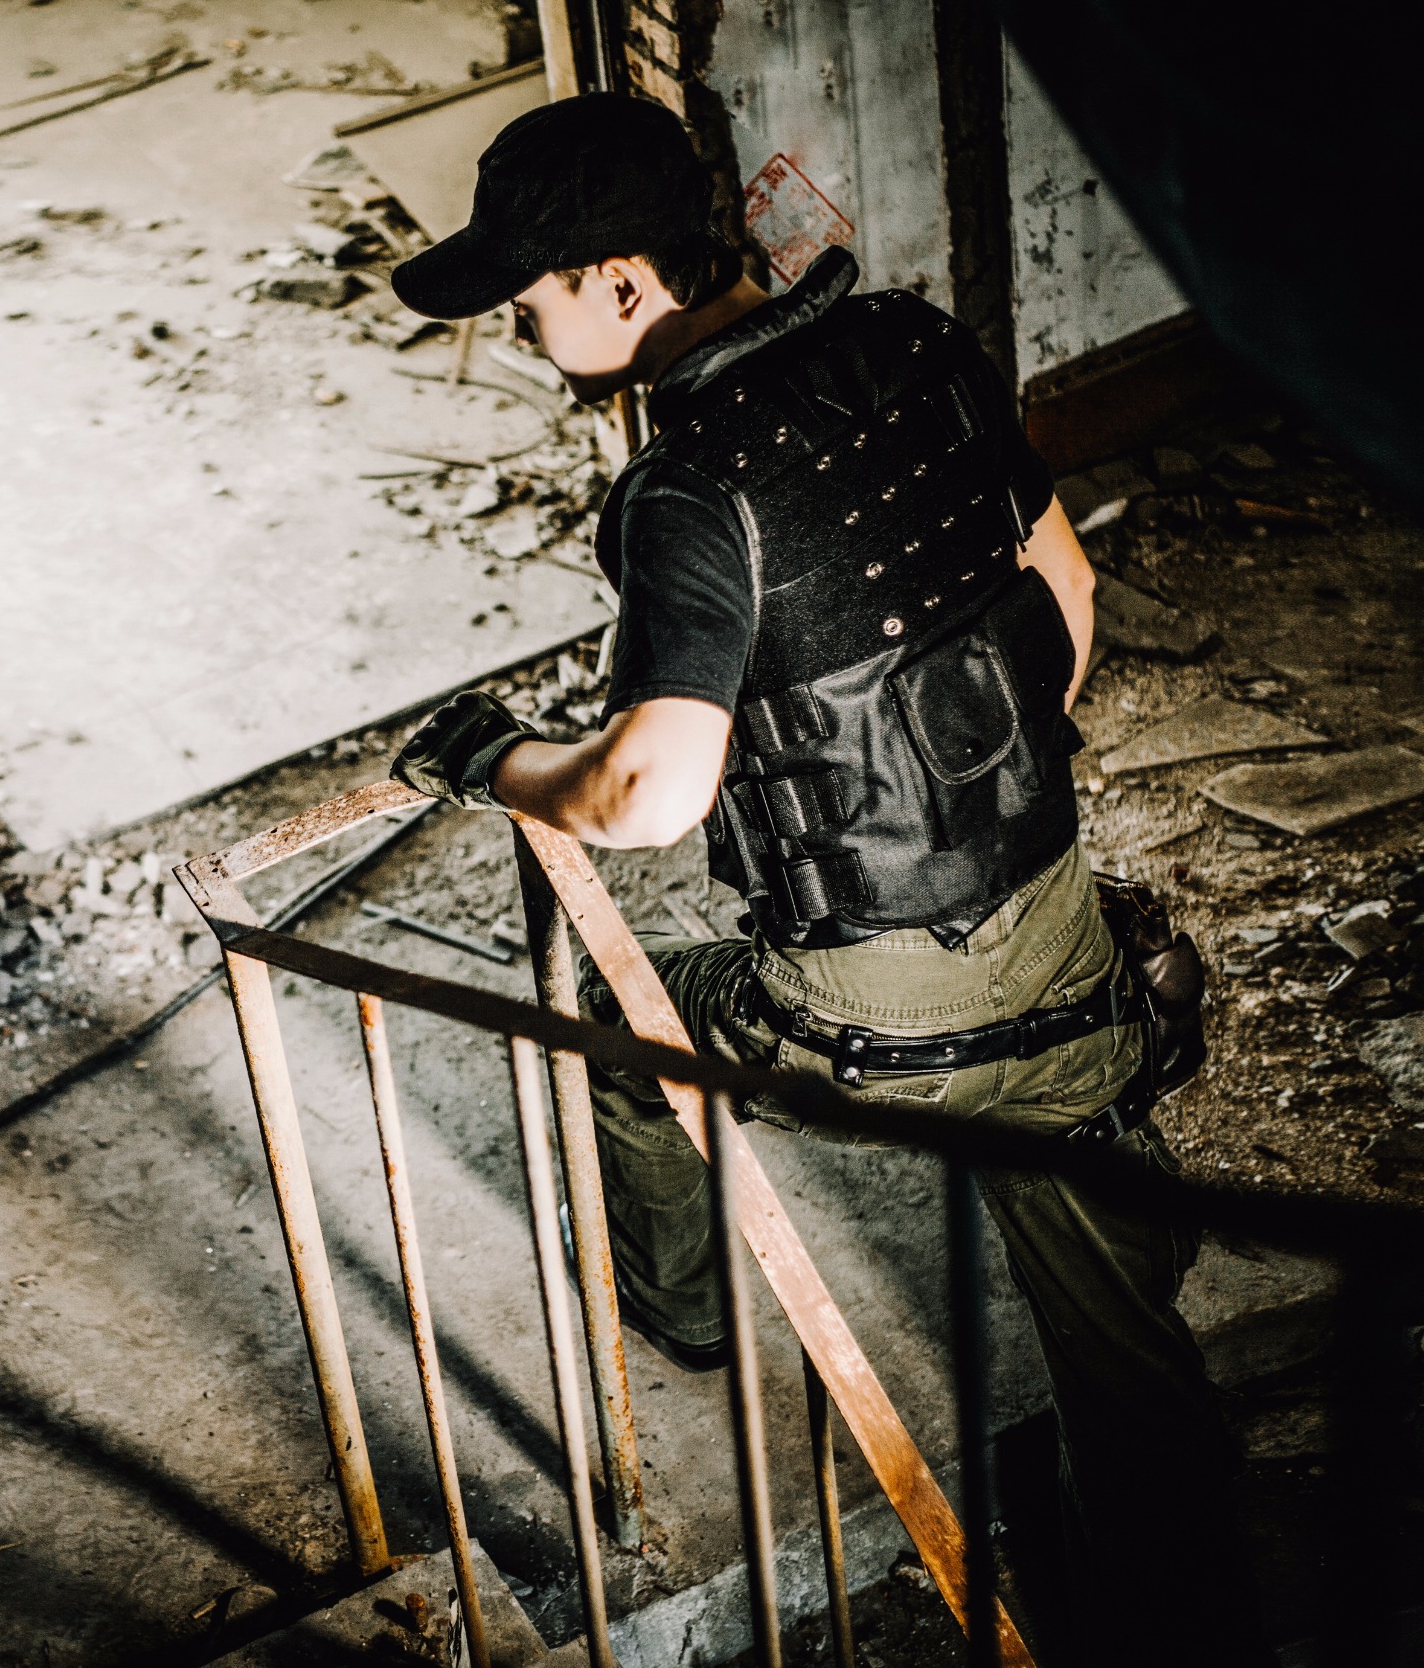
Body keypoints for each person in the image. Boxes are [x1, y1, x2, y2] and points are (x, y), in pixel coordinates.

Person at [383, 95, 1264, 1665]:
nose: (518, 321)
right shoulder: (920, 348)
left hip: (868, 1010)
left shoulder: (685, 490)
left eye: (529, 292)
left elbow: (650, 795)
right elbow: (1064, 600)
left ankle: (682, 1314)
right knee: (1126, 1351)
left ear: (621, 280)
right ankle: (1193, 1621)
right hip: (1057, 925)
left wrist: (495, 760)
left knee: (619, 1015)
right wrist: (969, 798)